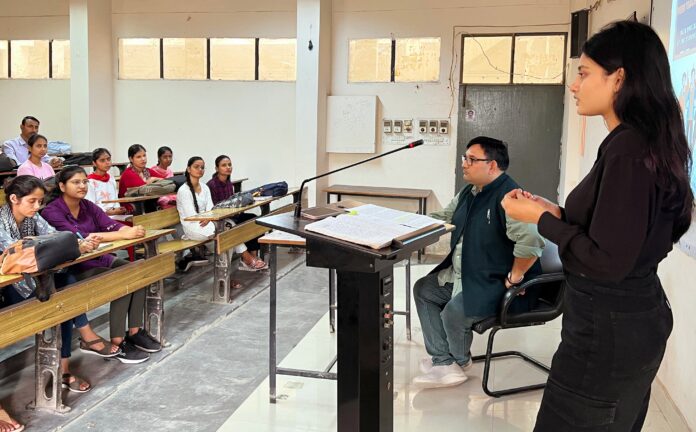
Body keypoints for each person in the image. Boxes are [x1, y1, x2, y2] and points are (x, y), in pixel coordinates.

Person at [501, 21, 693, 431]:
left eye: (584, 73)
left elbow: (607, 261)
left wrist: (540, 220)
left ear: (619, 78)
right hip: (633, 319)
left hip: (607, 332)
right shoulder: (646, 142)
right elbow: (629, 234)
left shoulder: (628, 148)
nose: (574, 85)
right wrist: (557, 213)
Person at [412, 136, 545, 388]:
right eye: (465, 158)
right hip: (471, 274)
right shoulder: (470, 191)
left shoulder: (511, 197)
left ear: (491, 165)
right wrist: (403, 222)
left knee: (454, 311)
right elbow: (444, 215)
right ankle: (443, 360)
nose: (464, 163)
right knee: (424, 290)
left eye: (472, 159)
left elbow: (531, 241)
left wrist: (514, 278)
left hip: (501, 282)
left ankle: (457, 362)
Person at [0, 176, 119, 394]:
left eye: (40, 201)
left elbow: (54, 236)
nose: (37, 207)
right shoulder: (1, 223)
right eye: (32, 201)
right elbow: (20, 255)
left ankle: (64, 368)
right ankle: (81, 345)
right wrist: (65, 247)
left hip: (36, 280)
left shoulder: (32, 218)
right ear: (14, 199)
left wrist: (81, 243)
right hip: (11, 288)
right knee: (61, 299)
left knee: (68, 286)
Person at [42, 167, 161, 364]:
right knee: (122, 277)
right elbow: (78, 237)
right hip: (74, 268)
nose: (82, 186)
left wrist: (127, 230)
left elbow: (109, 224)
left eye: (85, 181)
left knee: (138, 270)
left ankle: (134, 331)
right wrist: (124, 234)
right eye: (76, 182)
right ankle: (118, 341)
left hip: (99, 258)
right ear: (62, 186)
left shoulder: (87, 205)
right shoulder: (52, 211)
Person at [176, 157, 265, 281]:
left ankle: (227, 276)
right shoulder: (184, 191)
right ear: (188, 169)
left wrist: (209, 218)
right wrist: (208, 218)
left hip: (208, 222)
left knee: (228, 231)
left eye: (202, 167)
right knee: (225, 234)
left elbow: (211, 208)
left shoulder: (204, 187)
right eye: (196, 167)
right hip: (193, 226)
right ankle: (246, 260)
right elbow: (191, 215)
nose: (200, 169)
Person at [207, 155, 266, 269]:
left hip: (233, 215)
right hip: (222, 219)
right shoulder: (212, 185)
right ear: (217, 168)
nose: (228, 167)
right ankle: (246, 259)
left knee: (255, 220)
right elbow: (215, 208)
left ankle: (254, 255)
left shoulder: (229, 183)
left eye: (229, 165)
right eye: (224, 165)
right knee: (245, 223)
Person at [85, 148, 129, 221]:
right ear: (94, 163)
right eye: (102, 160)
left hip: (114, 215)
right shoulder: (90, 181)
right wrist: (108, 212)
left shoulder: (111, 178)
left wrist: (118, 209)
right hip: (99, 217)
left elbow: (115, 199)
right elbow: (90, 205)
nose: (107, 162)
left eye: (108, 159)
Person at [117, 144, 164, 212]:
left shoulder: (147, 171)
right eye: (138, 157)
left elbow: (166, 181)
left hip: (146, 206)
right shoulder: (128, 174)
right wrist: (152, 181)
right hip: (131, 209)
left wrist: (154, 179)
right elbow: (143, 190)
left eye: (144, 155)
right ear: (131, 159)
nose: (143, 159)